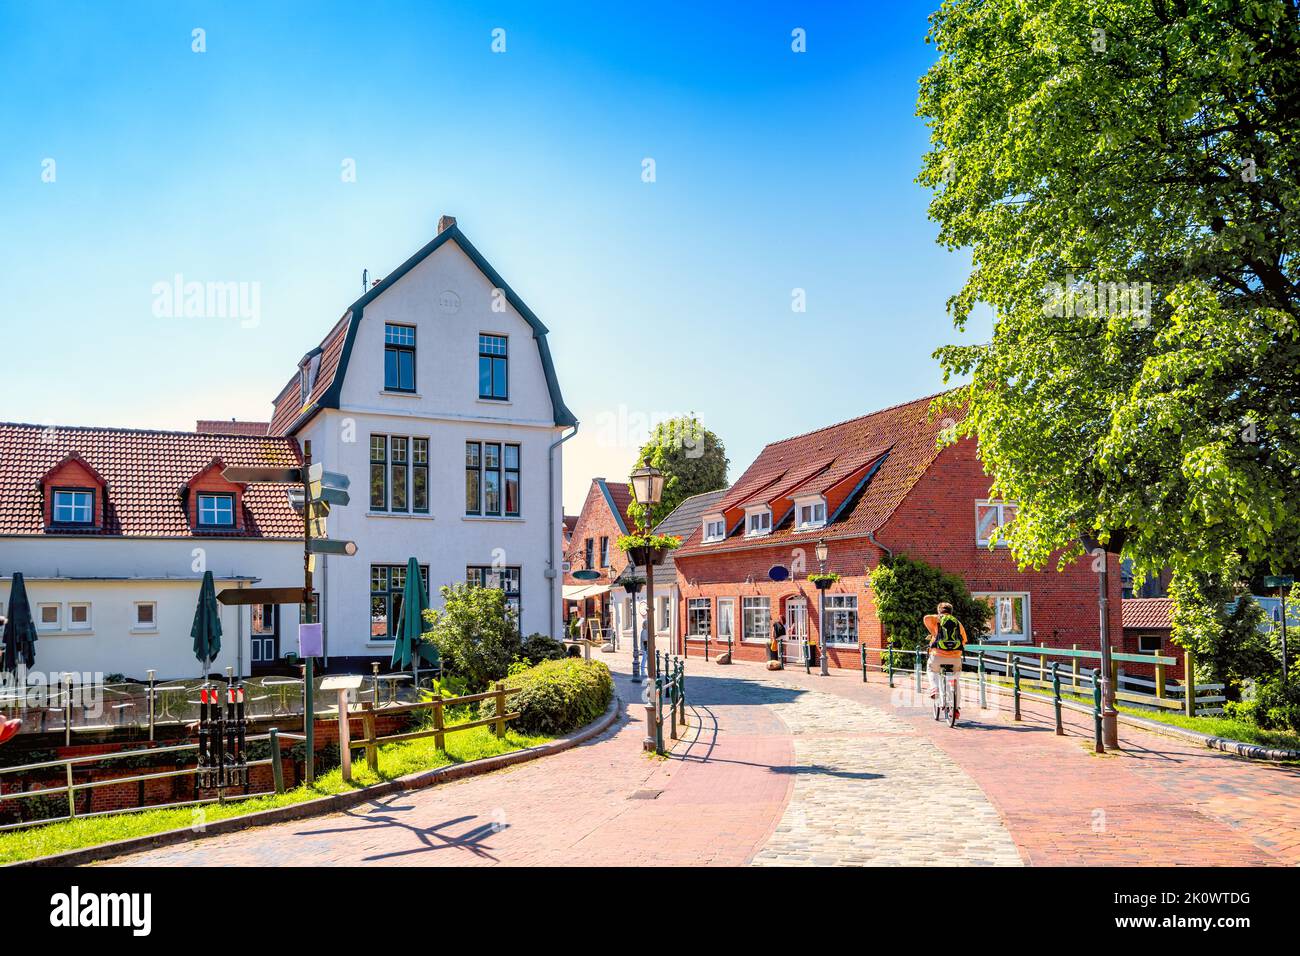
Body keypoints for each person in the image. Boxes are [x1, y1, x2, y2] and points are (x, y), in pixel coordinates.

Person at [923, 602, 968, 716]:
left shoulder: (937, 621)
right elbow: (964, 642)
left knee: (930, 669)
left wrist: (938, 617)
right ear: (951, 612)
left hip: (938, 657)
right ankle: (956, 709)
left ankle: (934, 688)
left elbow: (926, 618)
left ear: (939, 611)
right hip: (955, 659)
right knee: (955, 681)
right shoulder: (958, 623)